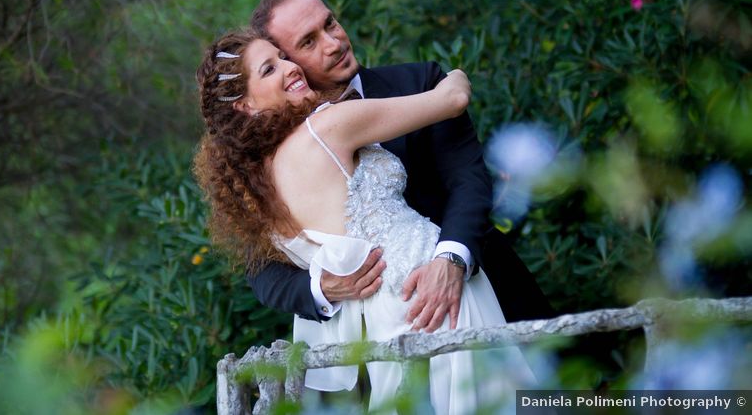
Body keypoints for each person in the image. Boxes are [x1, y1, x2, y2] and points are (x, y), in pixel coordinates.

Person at [193, 30, 535, 412]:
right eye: (270, 69)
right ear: (244, 106)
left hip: (384, 319)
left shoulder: (256, 188)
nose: (291, 68)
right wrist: (454, 73)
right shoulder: (326, 128)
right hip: (434, 293)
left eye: (282, 57)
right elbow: (452, 99)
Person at [246, 0, 553, 329]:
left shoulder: (421, 83)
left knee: (552, 386)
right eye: (308, 42)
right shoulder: (274, 155)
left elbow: (468, 179)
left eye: (330, 24)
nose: (333, 44)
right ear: (286, 62)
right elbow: (260, 268)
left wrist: (451, 259)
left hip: (482, 287)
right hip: (370, 333)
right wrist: (322, 287)